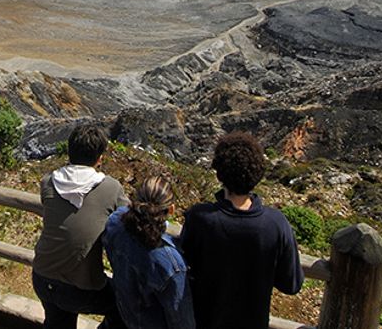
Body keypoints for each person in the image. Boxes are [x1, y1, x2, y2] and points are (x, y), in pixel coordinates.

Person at [179, 132, 303, 329]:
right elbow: (291, 284)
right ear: (257, 173)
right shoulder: (276, 223)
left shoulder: (199, 217)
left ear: (220, 173)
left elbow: (182, 266)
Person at [31, 124, 128, 329]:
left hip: (41, 277)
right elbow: (130, 217)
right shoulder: (110, 188)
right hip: (82, 287)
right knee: (125, 305)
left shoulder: (48, 181)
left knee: (58, 322)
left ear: (69, 151)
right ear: (100, 158)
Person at [102, 177, 194, 329]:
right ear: (171, 210)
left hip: (123, 311)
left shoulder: (115, 222)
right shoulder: (172, 264)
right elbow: (182, 322)